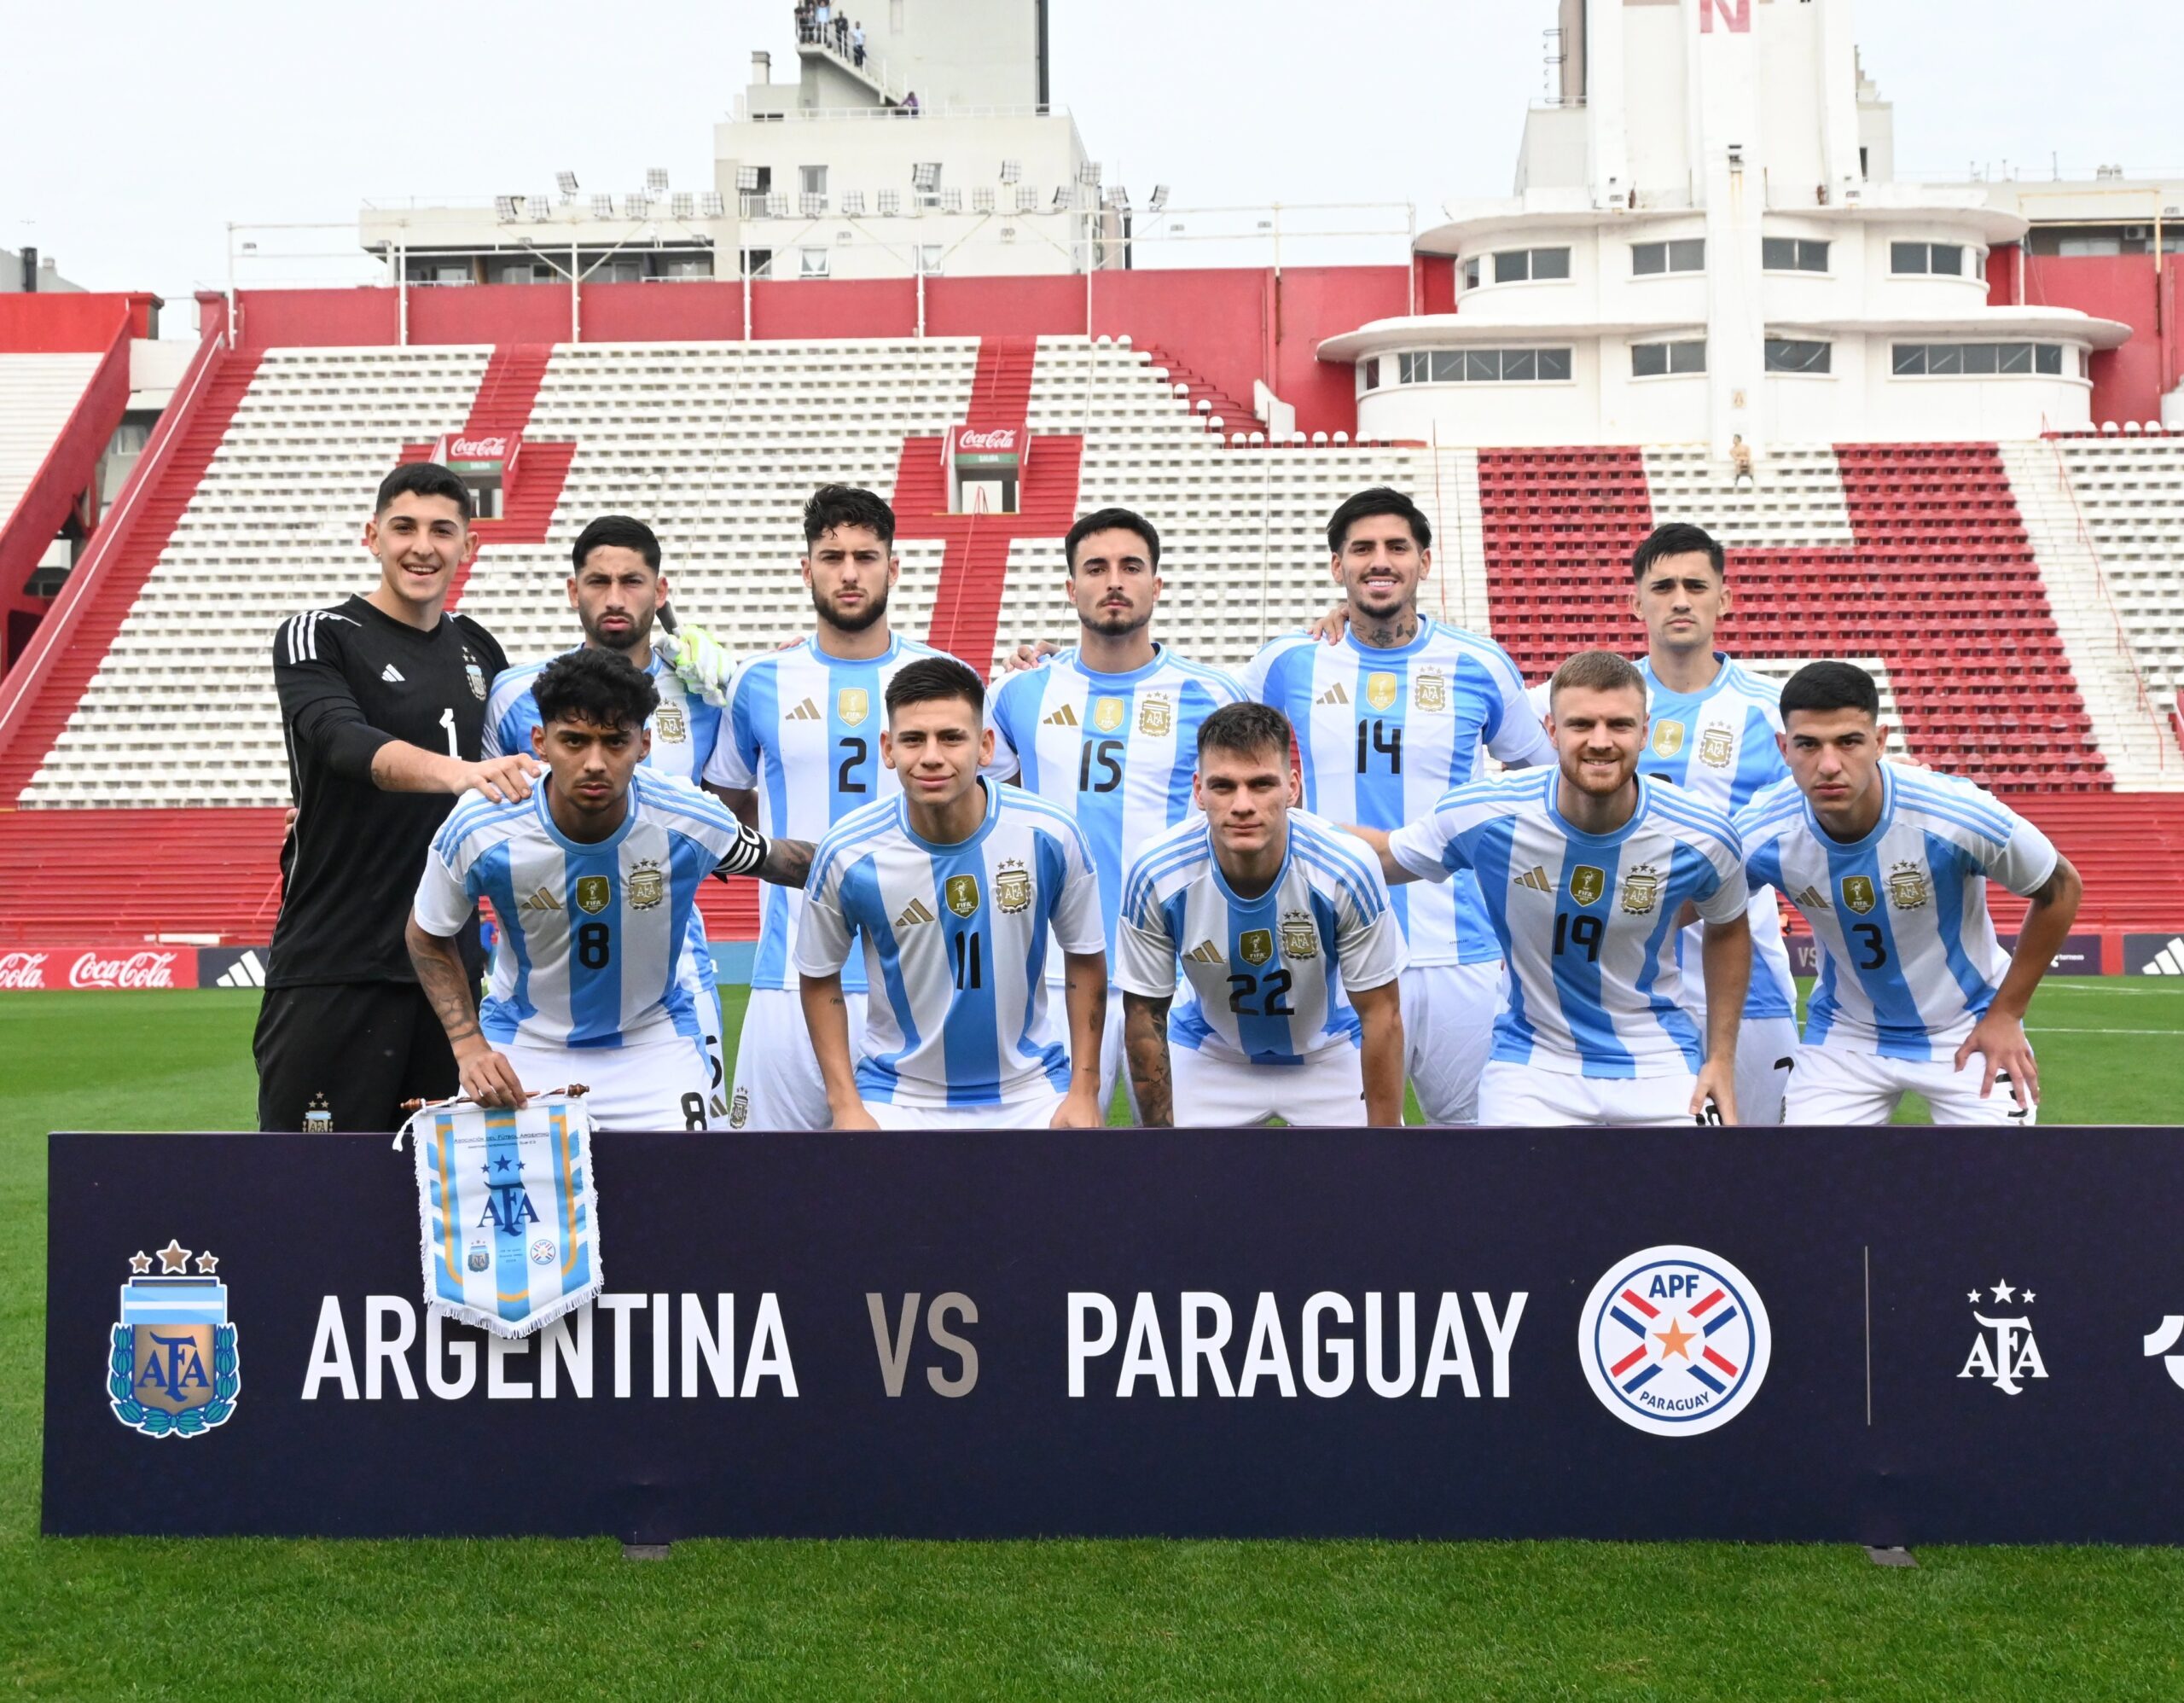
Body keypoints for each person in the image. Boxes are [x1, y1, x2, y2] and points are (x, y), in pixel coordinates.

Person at [406, 649, 812, 1132]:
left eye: (615, 742)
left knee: (690, 1198)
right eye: (574, 741)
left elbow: (783, 861)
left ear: (643, 745)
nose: (594, 763)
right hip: (523, 1048)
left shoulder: (688, 817)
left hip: (652, 1046)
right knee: (510, 1201)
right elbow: (427, 932)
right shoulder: (483, 823)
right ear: (541, 742)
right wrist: (468, 1044)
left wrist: (891, 858)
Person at [1351, 649, 1751, 1127]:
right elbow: (1386, 856)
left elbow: (1729, 926)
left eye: (1619, 726)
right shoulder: (1484, 814)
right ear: (1551, 730)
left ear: (1645, 733)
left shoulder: (1701, 833)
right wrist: (1279, 827)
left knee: (1698, 1200)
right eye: (1581, 725)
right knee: (1514, 1198)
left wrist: (1721, 1059)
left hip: (1659, 1060)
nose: (1600, 742)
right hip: (1532, 1064)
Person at [1255, 486, 1553, 1125]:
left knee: (1473, 1145)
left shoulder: (1479, 663)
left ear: (1424, 559)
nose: (1379, 560)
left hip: (1460, 950)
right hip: (1330, 948)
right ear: (1338, 567)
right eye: (1361, 549)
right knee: (1348, 1154)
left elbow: (1545, 780)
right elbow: (1201, 721)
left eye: (1396, 547)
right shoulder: (1291, 661)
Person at [255, 462, 534, 1135]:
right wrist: (461, 773)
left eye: (443, 531)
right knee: (311, 1195)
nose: (422, 546)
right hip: (335, 964)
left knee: (446, 1204)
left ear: (470, 546)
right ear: (371, 536)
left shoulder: (479, 649)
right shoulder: (319, 633)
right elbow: (342, 741)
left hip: (449, 976)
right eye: (404, 527)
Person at [1521, 522, 1803, 1124]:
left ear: (1724, 598)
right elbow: (1484, 735)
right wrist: (1353, 624)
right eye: (1663, 585)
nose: (1680, 599)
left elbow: (1828, 802)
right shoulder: (1589, 699)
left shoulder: (1774, 711)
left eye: (1697, 585)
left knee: (1760, 1174)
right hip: (1616, 991)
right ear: (1635, 600)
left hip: (1746, 985)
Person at [1736, 661, 2082, 1125]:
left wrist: (2007, 1013)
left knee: (2002, 1188)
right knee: (1808, 1184)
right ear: (1784, 748)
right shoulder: (1764, 829)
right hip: (1847, 1034)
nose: (1829, 764)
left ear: (1879, 742)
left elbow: (2060, 887)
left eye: (1849, 742)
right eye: (1808, 744)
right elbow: (1690, 904)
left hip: (1969, 1025)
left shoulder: (1956, 813)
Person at [702, 485, 951, 1129]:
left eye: (866, 557)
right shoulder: (760, 681)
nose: (848, 572)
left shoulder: (944, 677)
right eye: (832, 555)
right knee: (771, 1191)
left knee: (917, 1198)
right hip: (786, 976)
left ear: (893, 568)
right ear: (806, 567)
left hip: (918, 977)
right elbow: (730, 813)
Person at [985, 508, 1246, 1113]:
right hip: (1052, 967)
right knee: (1054, 1164)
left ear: (1156, 584)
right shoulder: (1017, 693)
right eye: (1096, 569)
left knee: (1185, 1161)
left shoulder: (1211, 694)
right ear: (1072, 588)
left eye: (1131, 567)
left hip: (1181, 966)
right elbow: (980, 805)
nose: (1114, 582)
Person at [485, 514, 736, 1121]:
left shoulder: (704, 688)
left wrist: (749, 674)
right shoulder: (518, 695)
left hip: (674, 970)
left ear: (661, 591)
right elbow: (483, 821)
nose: (616, 598)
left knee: (695, 1173)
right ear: (574, 591)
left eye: (633, 581)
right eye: (598, 582)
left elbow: (738, 808)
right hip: (542, 969)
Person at [796, 657, 1108, 1130]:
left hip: (1030, 1090)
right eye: (913, 739)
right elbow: (820, 977)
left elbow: (1085, 958)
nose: (931, 757)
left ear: (985, 746)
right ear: (887, 748)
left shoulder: (1050, 834)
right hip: (897, 1095)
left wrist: (1084, 1092)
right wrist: (846, 1106)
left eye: (952, 738)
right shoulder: (848, 851)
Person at [1118, 704, 1407, 1127]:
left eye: (1261, 785)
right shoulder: (1157, 872)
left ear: (1292, 788)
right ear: (1198, 791)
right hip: (1210, 1051)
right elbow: (1144, 1014)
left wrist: (1385, 1154)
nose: (1242, 805)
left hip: (1329, 1051)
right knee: (1178, 1190)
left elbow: (1382, 1014)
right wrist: (1163, 1149)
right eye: (1223, 786)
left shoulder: (1346, 869)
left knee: (1367, 1189)